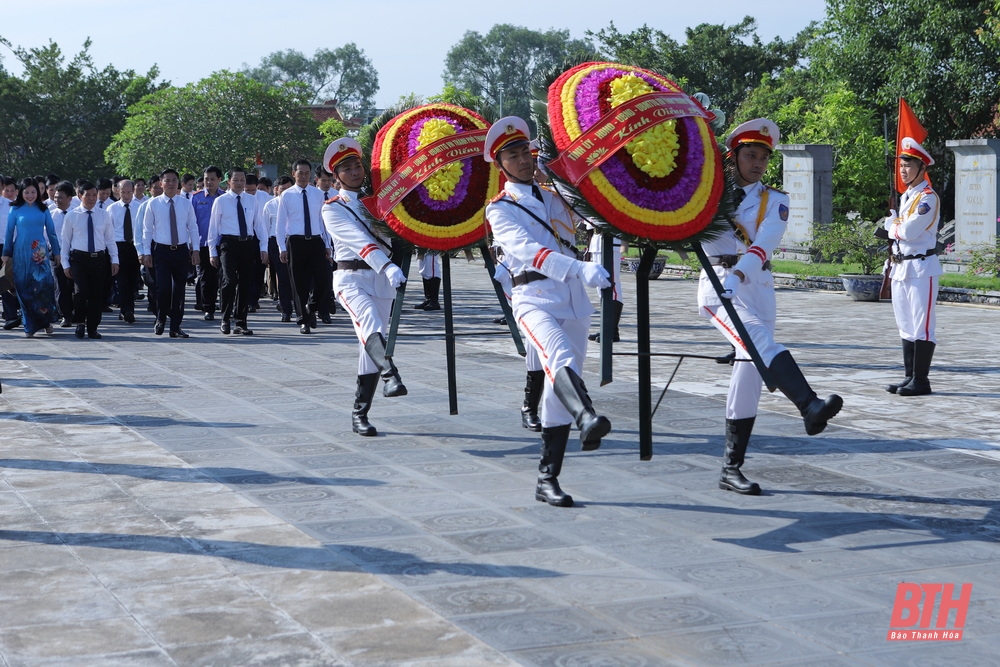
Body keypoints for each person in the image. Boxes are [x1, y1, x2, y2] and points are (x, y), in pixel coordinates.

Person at [700, 118, 843, 495]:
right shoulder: (705, 197)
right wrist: (728, 278)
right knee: (762, 345)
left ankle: (731, 468)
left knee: (748, 376)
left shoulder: (775, 200)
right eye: (751, 155)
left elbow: (764, 245)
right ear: (733, 157)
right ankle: (809, 405)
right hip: (717, 286)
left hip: (756, 287)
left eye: (764, 157)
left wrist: (741, 275)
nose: (758, 162)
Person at [485, 116, 612, 508]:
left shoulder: (554, 194)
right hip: (533, 297)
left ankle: (547, 478)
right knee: (556, 359)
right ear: (500, 163)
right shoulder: (500, 209)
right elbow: (528, 251)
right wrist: (578, 267)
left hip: (574, 300)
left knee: (559, 384)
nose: (523, 159)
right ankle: (587, 416)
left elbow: (594, 212)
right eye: (513, 155)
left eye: (526, 151)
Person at [320, 138, 408, 437]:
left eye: (358, 166)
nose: (355, 172)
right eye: (347, 168)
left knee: (370, 342)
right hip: (352, 279)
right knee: (369, 322)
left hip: (382, 282)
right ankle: (390, 374)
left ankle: (360, 414)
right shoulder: (333, 209)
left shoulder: (382, 201)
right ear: (336, 177)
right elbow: (360, 242)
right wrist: (386, 264)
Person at [877, 137, 941, 396]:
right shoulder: (907, 197)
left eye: (908, 165)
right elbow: (899, 231)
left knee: (922, 325)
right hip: (901, 267)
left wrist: (891, 227)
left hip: (922, 268)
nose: (903, 170)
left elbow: (909, 232)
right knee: (905, 323)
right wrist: (895, 227)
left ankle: (922, 381)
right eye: (901, 165)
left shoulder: (928, 198)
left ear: (921, 168)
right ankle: (909, 376)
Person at [208, 167, 269, 335]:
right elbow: (213, 228)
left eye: (243, 180)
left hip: (247, 244)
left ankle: (241, 321)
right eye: (236, 180)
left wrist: (263, 247)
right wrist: (212, 251)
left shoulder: (252, 200)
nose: (240, 183)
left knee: (245, 282)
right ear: (229, 182)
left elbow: (259, 225)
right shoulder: (221, 201)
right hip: (228, 244)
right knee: (229, 280)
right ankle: (225, 318)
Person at [140, 168, 200, 338]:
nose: (171, 183)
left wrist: (195, 249)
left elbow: (193, 227)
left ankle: (175, 326)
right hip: (161, 251)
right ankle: (160, 318)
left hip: (180, 251)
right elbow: (147, 230)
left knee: (179, 291)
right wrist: (146, 252)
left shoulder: (185, 203)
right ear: (161, 183)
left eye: (174, 180)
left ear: (178, 183)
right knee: (163, 288)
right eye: (167, 180)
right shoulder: (154, 203)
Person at [276, 159, 333, 334]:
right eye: (300, 172)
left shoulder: (317, 194)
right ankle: (303, 321)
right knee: (299, 283)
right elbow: (279, 224)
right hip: (295, 242)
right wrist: (281, 248)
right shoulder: (286, 195)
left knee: (324, 279)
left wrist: (327, 243)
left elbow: (322, 221)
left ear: (311, 175)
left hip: (316, 241)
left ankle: (312, 307)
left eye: (307, 173)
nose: (303, 176)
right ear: (294, 174)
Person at [2, 178, 61, 337]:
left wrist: (56, 252)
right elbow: (8, 234)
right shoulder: (15, 209)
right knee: (23, 289)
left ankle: (46, 321)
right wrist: (6, 254)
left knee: (43, 286)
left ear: (38, 192)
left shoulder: (43, 209)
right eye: (26, 192)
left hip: (40, 254)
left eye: (33, 192)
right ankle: (29, 325)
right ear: (21, 192)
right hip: (20, 253)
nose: (30, 195)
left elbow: (52, 232)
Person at [61, 182, 119, 339]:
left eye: (95, 195)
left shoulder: (104, 214)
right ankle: (80, 322)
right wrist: (65, 263)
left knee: (96, 294)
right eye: (88, 195)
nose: (92, 198)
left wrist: (115, 259)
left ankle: (93, 327)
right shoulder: (72, 216)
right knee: (81, 292)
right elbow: (65, 241)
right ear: (80, 196)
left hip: (98, 259)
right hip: (79, 259)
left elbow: (110, 239)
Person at [191, 166, 224, 320]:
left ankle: (225, 307)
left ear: (219, 180)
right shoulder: (196, 198)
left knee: (224, 277)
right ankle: (208, 308)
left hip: (222, 243)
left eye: (212, 179)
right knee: (206, 278)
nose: (208, 182)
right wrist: (193, 247)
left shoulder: (224, 197)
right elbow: (191, 223)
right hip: (203, 243)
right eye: (206, 179)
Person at [106, 179, 141, 323]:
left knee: (133, 280)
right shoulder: (112, 209)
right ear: (117, 191)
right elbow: (108, 232)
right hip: (118, 246)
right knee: (122, 280)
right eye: (123, 192)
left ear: (134, 191)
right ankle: (126, 310)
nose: (126, 195)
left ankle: (128, 309)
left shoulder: (140, 207)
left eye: (129, 192)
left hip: (134, 245)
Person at [263, 176, 295, 322]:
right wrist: (264, 249)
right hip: (275, 243)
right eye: (282, 190)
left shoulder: (297, 203)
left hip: (294, 242)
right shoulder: (270, 205)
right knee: (282, 277)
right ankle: (286, 309)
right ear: (276, 190)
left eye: (288, 189)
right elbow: (264, 229)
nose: (285, 193)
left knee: (297, 277)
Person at [48, 181, 76, 327]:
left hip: (75, 254)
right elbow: (46, 235)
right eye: (56, 197)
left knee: (76, 286)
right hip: (57, 254)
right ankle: (65, 315)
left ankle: (77, 313)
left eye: (61, 197)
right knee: (60, 286)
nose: (57, 200)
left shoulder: (77, 213)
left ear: (70, 198)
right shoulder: (51, 214)